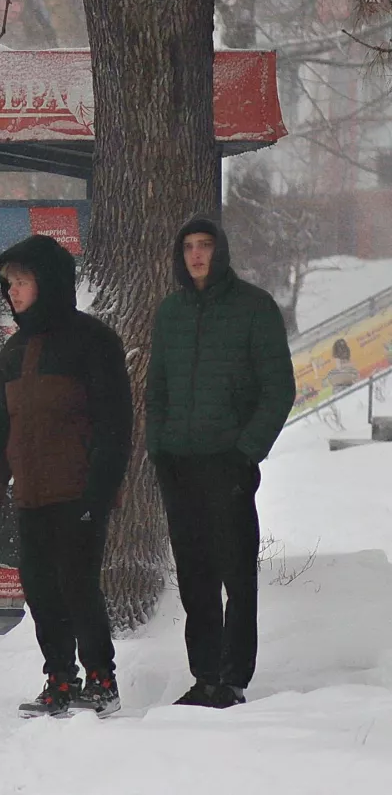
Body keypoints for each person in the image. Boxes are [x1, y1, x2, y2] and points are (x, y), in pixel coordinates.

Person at [0, 235, 131, 717]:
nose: (12, 292)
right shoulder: (12, 353)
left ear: (50, 282)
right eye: (8, 283)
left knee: (79, 585)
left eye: (22, 281)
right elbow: (2, 428)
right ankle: (59, 678)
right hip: (33, 495)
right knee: (40, 587)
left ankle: (102, 680)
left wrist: (99, 493)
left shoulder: (94, 341)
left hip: (78, 492)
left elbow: (115, 425)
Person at [146, 216, 295, 709]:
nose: (196, 255)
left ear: (220, 251)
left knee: (236, 575)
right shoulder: (170, 312)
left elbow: (278, 390)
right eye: (187, 246)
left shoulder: (254, 308)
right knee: (195, 578)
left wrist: (245, 453)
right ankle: (204, 675)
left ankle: (232, 679)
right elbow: (158, 389)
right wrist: (159, 449)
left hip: (228, 464)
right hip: (180, 466)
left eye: (205, 245)